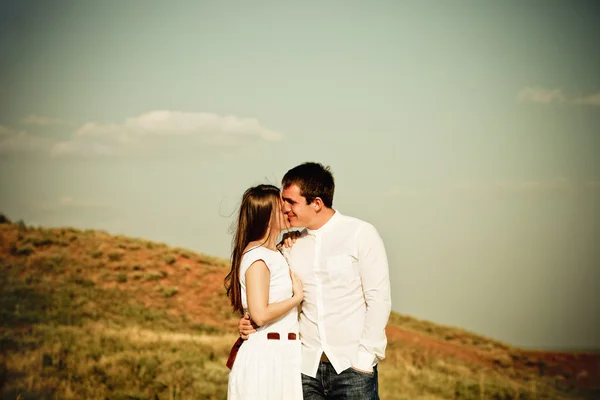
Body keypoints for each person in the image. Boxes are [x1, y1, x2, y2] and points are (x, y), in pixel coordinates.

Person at [238, 162, 392, 400]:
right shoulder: (290, 246)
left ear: (317, 203)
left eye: (291, 202)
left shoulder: (361, 234)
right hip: (304, 370)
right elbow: (271, 292)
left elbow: (378, 300)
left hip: (352, 369)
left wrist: (364, 360)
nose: (284, 207)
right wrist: (251, 321)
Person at [224, 184, 304, 400]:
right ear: (268, 216)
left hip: (282, 355)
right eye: (281, 207)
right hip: (266, 359)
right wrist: (296, 298)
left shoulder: (273, 253)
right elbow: (259, 314)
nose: (288, 210)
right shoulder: (258, 258)